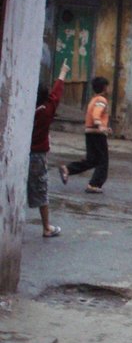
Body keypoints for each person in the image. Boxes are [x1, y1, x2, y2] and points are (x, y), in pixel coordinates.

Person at [29, 60, 69, 237]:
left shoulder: (26, 108)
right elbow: (57, 94)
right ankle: (46, 227)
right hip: (37, 156)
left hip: (22, 153)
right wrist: (62, 73)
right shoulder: (46, 110)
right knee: (40, 189)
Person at [59, 75, 111, 193]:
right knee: (103, 161)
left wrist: (105, 128)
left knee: (92, 160)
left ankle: (67, 169)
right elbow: (96, 115)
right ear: (104, 88)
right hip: (97, 134)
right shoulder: (101, 100)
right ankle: (94, 184)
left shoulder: (93, 100)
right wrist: (100, 126)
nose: (108, 89)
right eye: (107, 87)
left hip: (90, 133)